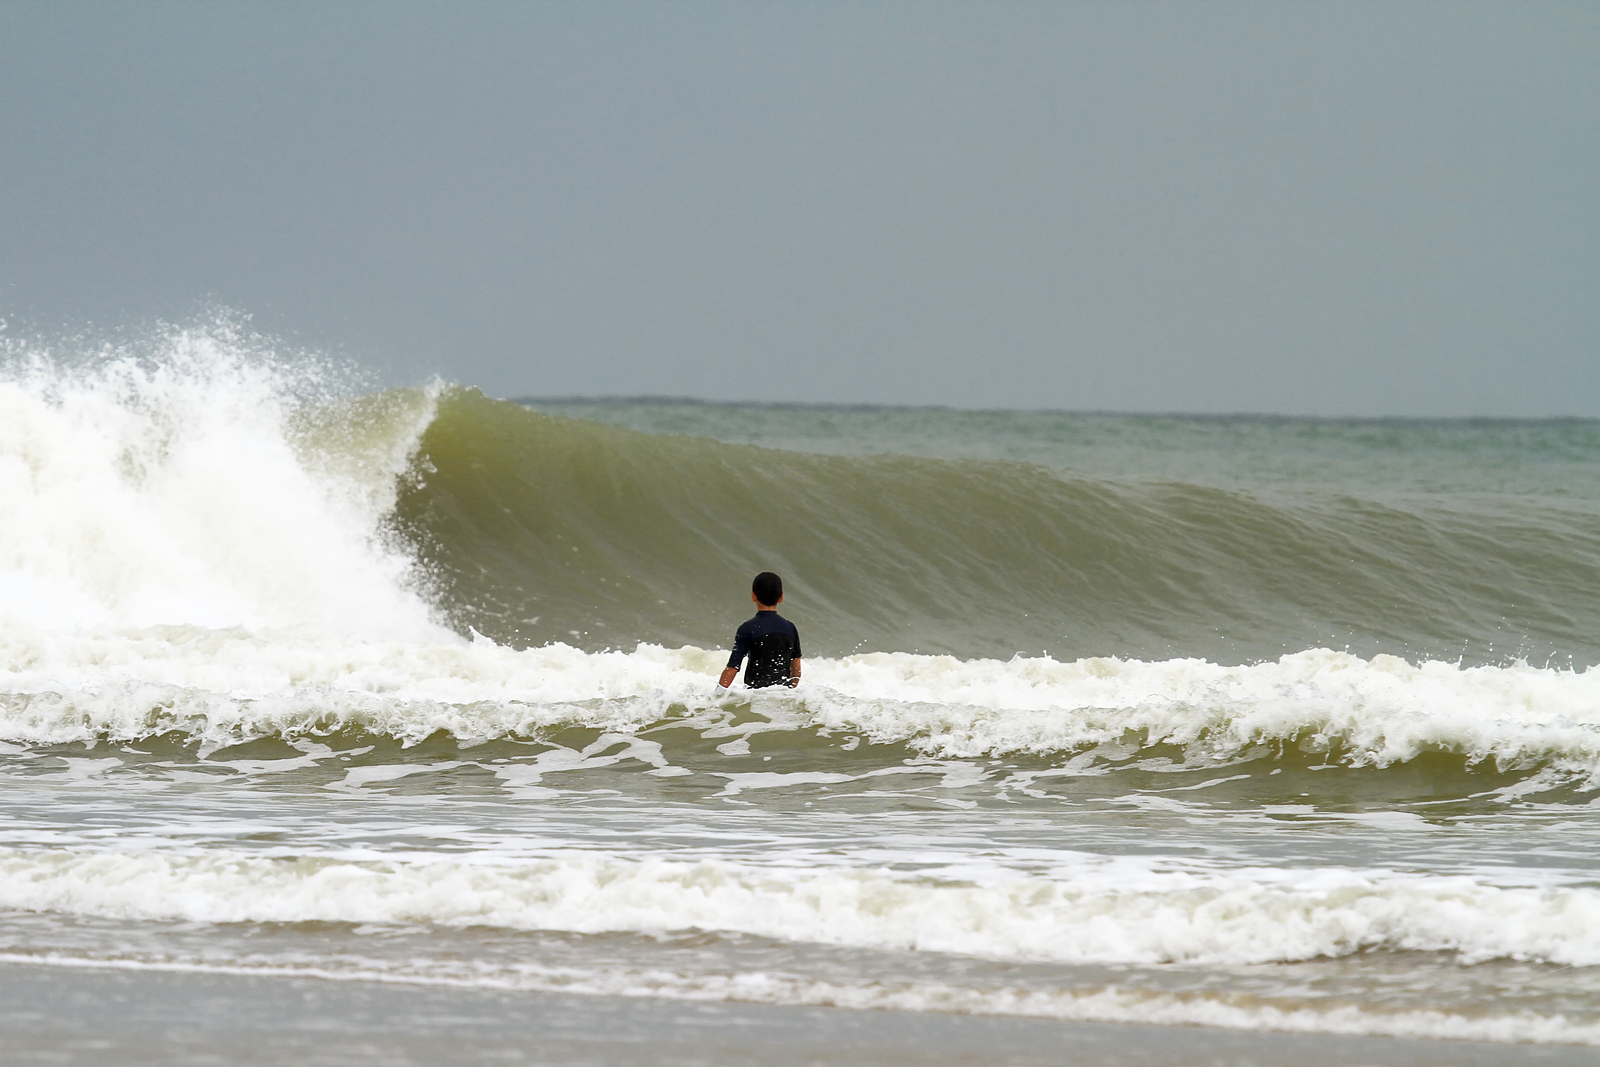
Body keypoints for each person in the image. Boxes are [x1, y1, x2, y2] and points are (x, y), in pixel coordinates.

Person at [718, 571, 802, 689]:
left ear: (753, 596)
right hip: (783, 696)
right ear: (781, 597)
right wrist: (791, 691)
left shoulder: (747, 628)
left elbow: (733, 668)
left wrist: (716, 698)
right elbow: (796, 670)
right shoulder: (790, 628)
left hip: (755, 696)